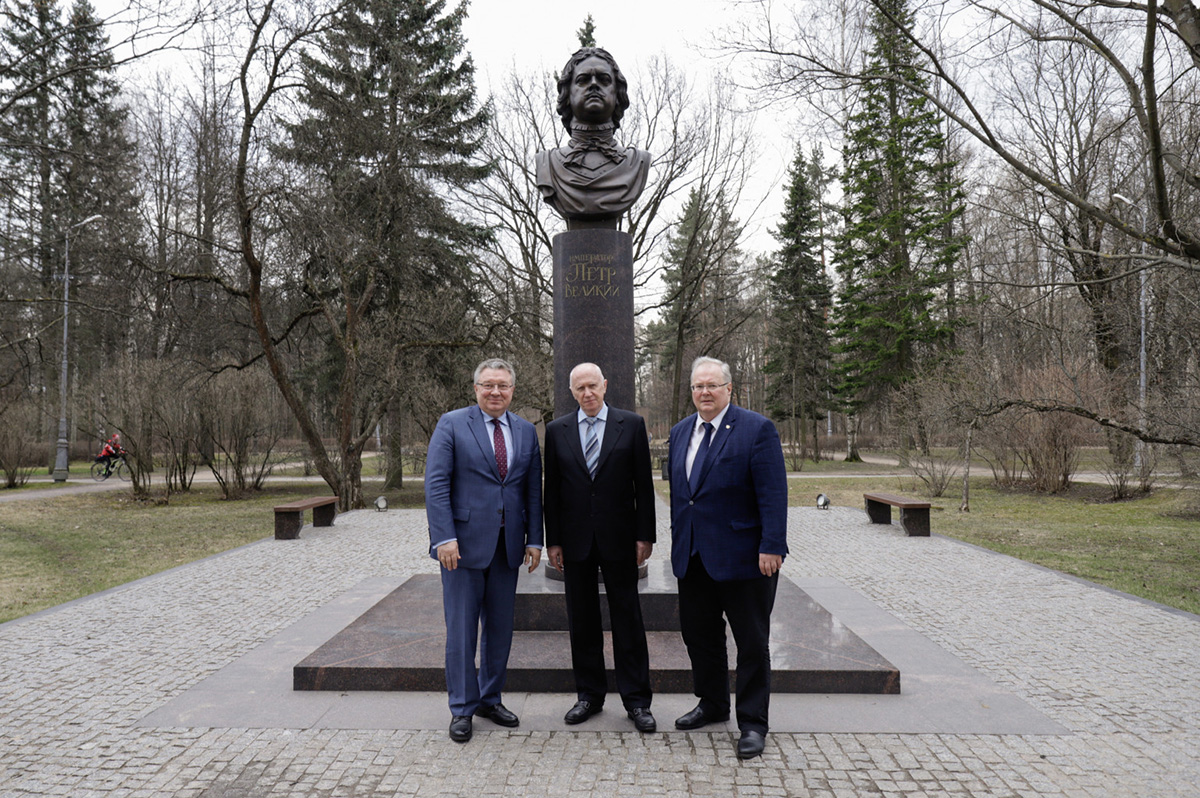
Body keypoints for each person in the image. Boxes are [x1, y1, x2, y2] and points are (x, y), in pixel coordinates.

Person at [666, 356, 788, 760]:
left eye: (712, 386)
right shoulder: (681, 431)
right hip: (694, 556)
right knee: (699, 635)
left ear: (729, 389)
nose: (704, 392)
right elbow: (685, 497)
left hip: (745, 558)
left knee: (751, 642)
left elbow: (773, 493)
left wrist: (772, 544)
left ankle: (752, 723)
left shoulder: (756, 429)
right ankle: (713, 703)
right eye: (698, 386)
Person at [425, 358, 543, 743]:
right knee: (461, 632)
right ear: (475, 388)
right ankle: (462, 708)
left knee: (500, 631)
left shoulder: (526, 431)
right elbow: (437, 484)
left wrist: (534, 538)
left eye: (503, 386)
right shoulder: (453, 424)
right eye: (489, 385)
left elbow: (531, 490)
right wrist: (443, 537)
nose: (496, 392)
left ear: (513, 390)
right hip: (460, 548)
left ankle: (490, 698)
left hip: (507, 548)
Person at [544, 363, 656, 732]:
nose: (587, 393)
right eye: (580, 388)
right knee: (582, 620)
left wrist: (646, 536)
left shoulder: (632, 425)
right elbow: (553, 493)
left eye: (593, 386)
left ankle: (637, 701)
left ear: (605, 386)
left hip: (620, 539)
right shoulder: (556, 430)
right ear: (572, 391)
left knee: (628, 619)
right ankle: (589, 696)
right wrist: (554, 541)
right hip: (575, 541)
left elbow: (644, 486)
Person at [534, 47, 651, 227]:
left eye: (604, 80)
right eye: (583, 80)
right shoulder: (547, 165)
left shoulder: (638, 163)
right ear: (567, 94)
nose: (594, 84)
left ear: (617, 94)